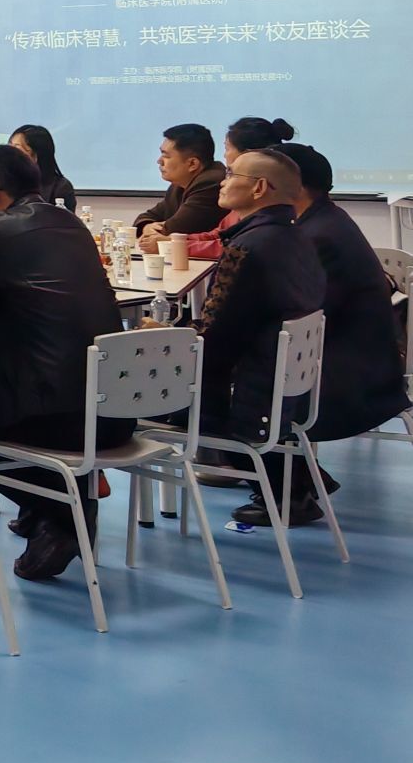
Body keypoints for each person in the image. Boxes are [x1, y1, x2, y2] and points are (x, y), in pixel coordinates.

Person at [0, 144, 129, 582]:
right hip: (112, 409)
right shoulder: (70, 223)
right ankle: (47, 511)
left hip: (53, 418)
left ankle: (62, 514)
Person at [234, 143, 405, 527]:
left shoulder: (315, 236)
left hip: (349, 378)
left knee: (222, 390)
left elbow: (292, 316)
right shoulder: (323, 221)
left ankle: (289, 492)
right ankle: (296, 479)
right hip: (353, 362)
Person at [193, 151, 325, 459]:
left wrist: (164, 336)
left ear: (259, 187)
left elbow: (215, 337)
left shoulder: (248, 246)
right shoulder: (296, 236)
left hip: (245, 398)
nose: (222, 182)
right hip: (282, 391)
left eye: (230, 175)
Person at [139, 117, 293, 258]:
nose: (223, 182)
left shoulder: (266, 222)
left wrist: (171, 245)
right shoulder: (239, 208)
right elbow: (218, 235)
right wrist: (171, 240)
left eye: (231, 175)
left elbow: (232, 247)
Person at [133, 123, 226, 244]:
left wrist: (153, 229)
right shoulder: (180, 184)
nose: (159, 161)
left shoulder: (210, 183)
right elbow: (145, 217)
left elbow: (175, 231)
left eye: (166, 156)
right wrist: (146, 226)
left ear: (192, 164)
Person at [7, 125, 76, 212]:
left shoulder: (60, 187)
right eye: (9, 146)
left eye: (17, 148)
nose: (9, 153)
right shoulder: (4, 182)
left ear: (36, 155)